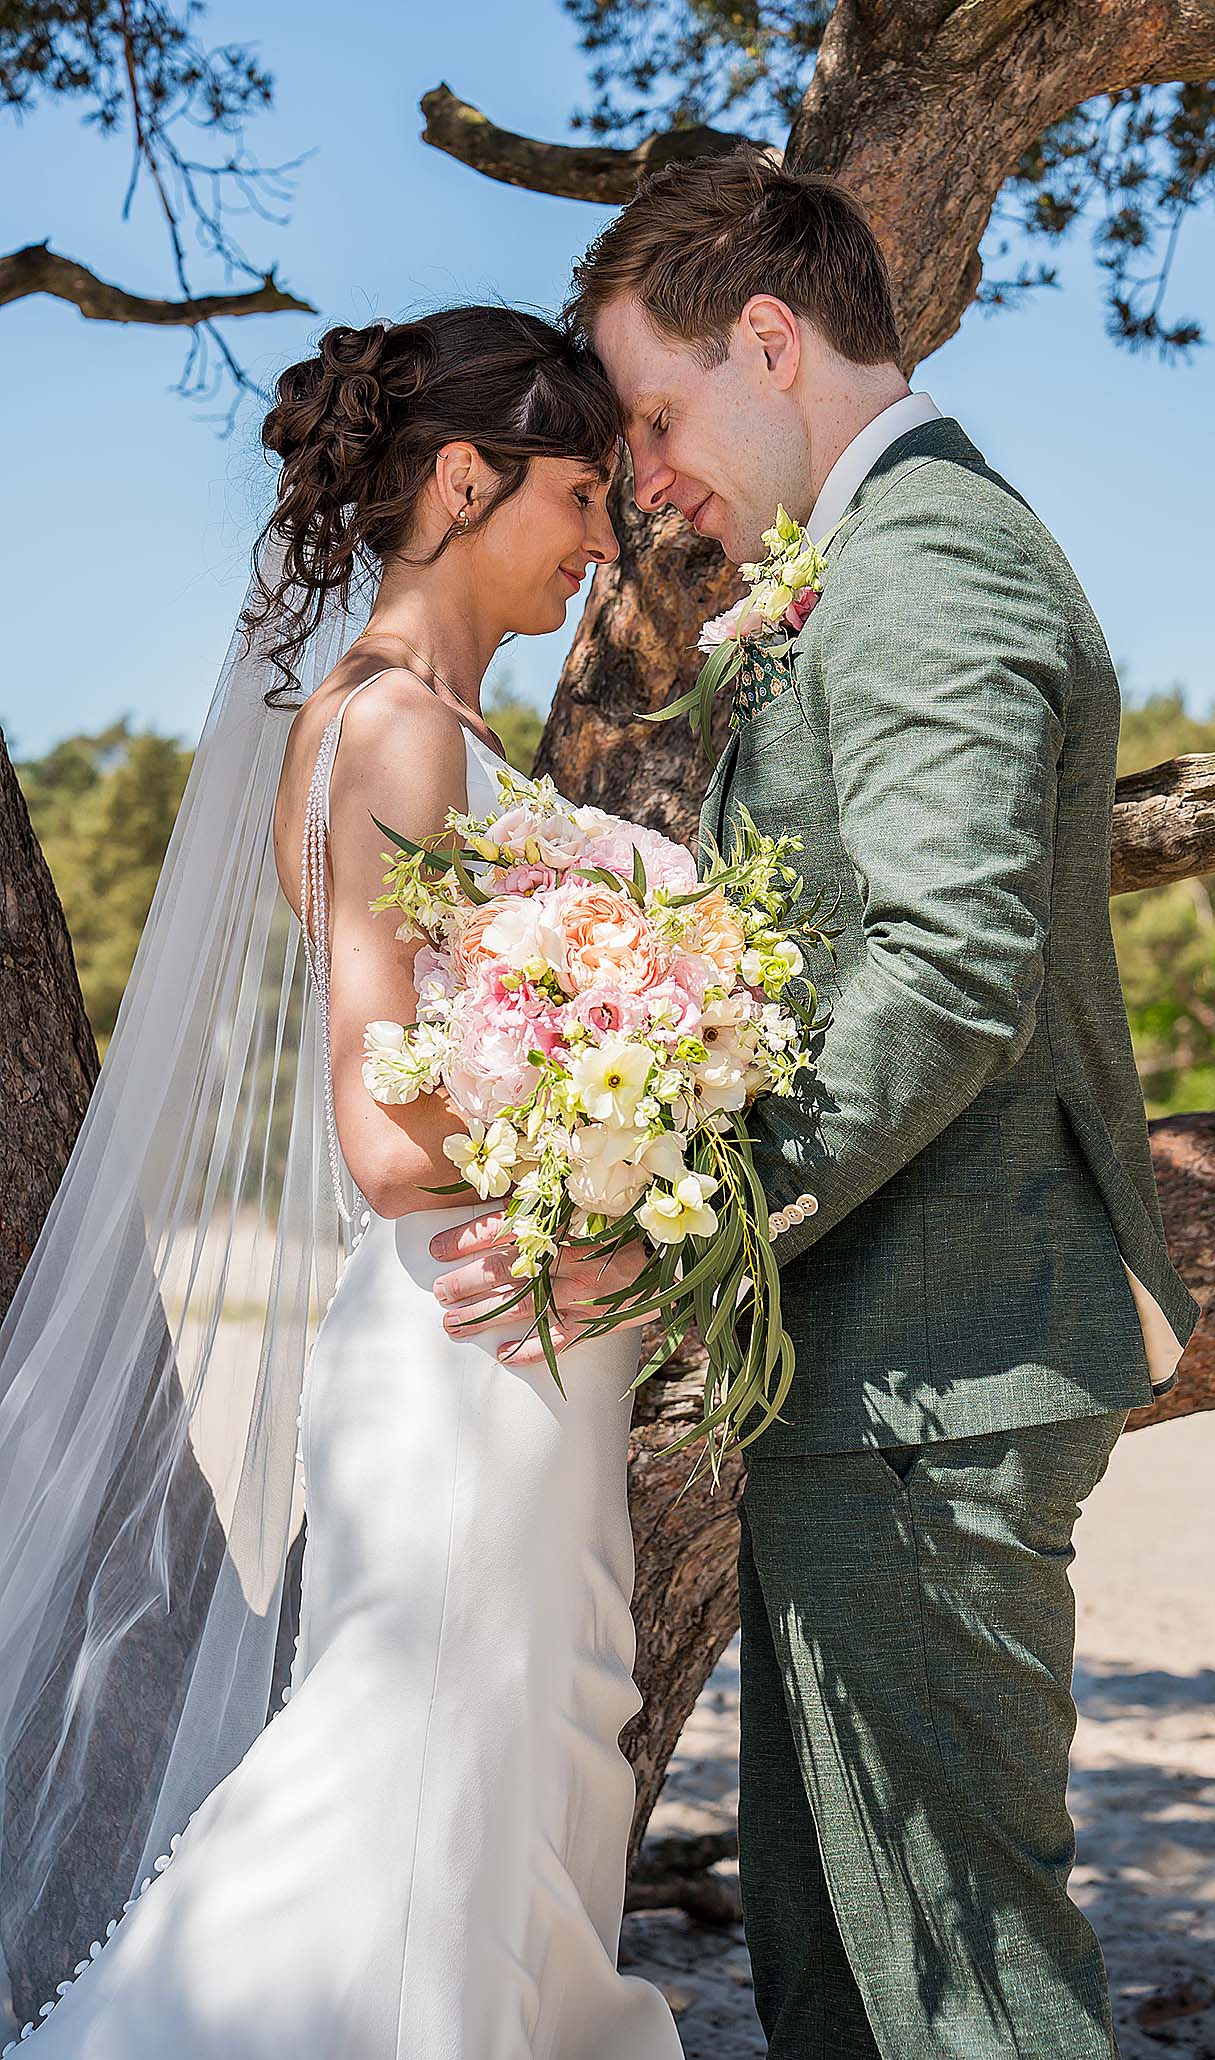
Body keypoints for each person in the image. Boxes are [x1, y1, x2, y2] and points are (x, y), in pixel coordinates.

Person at [437, 148, 1202, 2057]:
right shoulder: (863, 565)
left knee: (962, 1987)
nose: (651, 475)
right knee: (843, 1970)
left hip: (935, 1385)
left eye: (662, 412)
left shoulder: (928, 561)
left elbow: (946, 970)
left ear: (768, 341)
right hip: (879, 1382)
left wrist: (668, 1236)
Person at [0, 305, 683, 2059]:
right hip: (473, 1343)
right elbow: (386, 1139)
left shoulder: (413, 718)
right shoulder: (394, 733)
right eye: (581, 497)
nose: (602, 547)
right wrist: (645, 1152)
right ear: (463, 479)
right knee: (423, 1794)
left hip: (513, 1348)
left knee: (499, 1774)